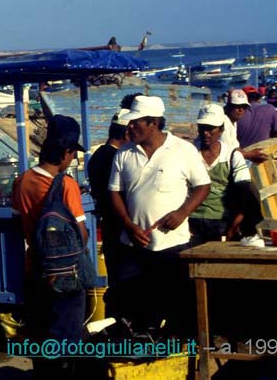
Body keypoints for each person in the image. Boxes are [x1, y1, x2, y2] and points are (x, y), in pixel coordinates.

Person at [108, 95, 210, 333]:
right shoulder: (123, 154)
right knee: (135, 304)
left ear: (153, 123)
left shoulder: (183, 150)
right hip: (134, 245)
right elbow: (114, 193)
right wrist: (128, 225)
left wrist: (182, 212)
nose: (129, 127)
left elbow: (203, 186)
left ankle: (177, 351)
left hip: (172, 244)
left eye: (136, 123)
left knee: (176, 303)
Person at [12, 114, 88, 379]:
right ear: (66, 152)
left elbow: (17, 223)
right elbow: (82, 234)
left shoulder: (21, 181)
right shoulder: (66, 185)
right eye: (73, 154)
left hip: (35, 269)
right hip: (66, 275)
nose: (73, 160)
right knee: (68, 336)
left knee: (40, 333)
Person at [189, 104, 251, 244]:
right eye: (203, 128)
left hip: (221, 221)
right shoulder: (189, 153)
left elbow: (243, 194)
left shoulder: (232, 156)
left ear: (221, 130)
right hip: (192, 219)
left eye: (211, 129)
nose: (206, 133)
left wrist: (233, 227)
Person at [87, 109, 129, 280]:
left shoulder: (97, 155)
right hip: (119, 224)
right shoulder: (116, 158)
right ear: (126, 133)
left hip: (107, 223)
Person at [221, 89, 268, 163]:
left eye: (244, 107)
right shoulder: (223, 123)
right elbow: (229, 153)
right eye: (237, 106)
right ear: (229, 106)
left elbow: (235, 148)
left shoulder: (233, 122)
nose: (241, 110)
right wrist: (250, 155)